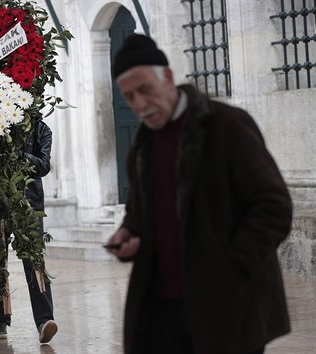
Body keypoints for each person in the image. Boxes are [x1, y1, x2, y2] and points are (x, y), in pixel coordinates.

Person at [105, 34, 292, 354]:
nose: (138, 104)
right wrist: (130, 234)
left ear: (167, 77)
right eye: (129, 96)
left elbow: (273, 206)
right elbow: (140, 215)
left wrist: (231, 268)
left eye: (144, 90)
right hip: (162, 308)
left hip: (226, 306)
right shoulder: (142, 145)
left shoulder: (226, 126)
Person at [0, 119, 58, 344]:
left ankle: (44, 321)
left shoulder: (41, 129)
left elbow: (43, 165)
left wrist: (20, 156)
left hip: (27, 202)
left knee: (34, 260)